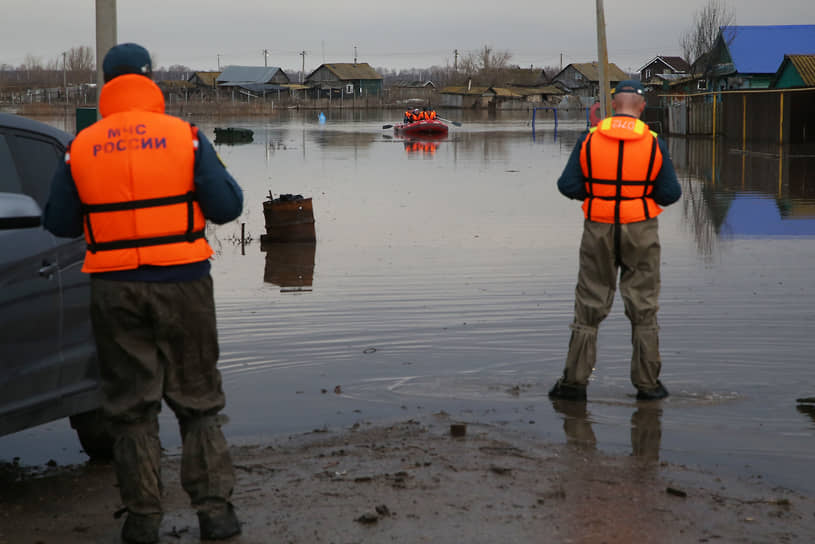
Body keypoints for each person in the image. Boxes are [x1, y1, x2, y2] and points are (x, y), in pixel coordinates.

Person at [43, 43, 243, 544]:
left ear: (107, 84)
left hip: (114, 290)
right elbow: (225, 207)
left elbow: (59, 223)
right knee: (198, 402)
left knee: (131, 409)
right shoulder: (187, 138)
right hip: (183, 284)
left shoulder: (81, 146)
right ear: (151, 80)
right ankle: (215, 514)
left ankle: (142, 520)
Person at [548, 79, 681, 402]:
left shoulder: (589, 139)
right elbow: (671, 193)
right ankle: (648, 387)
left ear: (611, 105)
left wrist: (598, 193)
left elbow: (567, 185)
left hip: (599, 227)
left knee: (589, 305)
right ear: (642, 107)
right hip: (641, 228)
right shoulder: (653, 143)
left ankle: (574, 384)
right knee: (643, 307)